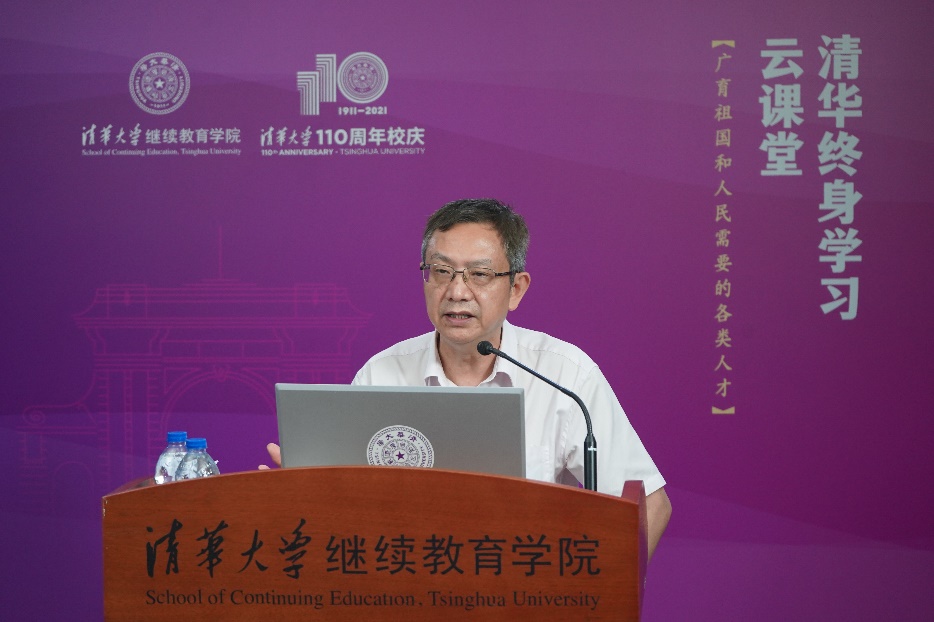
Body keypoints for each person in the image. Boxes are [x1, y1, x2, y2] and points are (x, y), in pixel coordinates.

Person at [264, 198, 671, 560]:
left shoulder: (564, 374)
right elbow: (352, 511)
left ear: (516, 288)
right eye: (442, 271)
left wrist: (598, 599)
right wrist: (309, 493)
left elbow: (650, 504)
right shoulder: (381, 374)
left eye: (479, 275)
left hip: (523, 590)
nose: (457, 292)